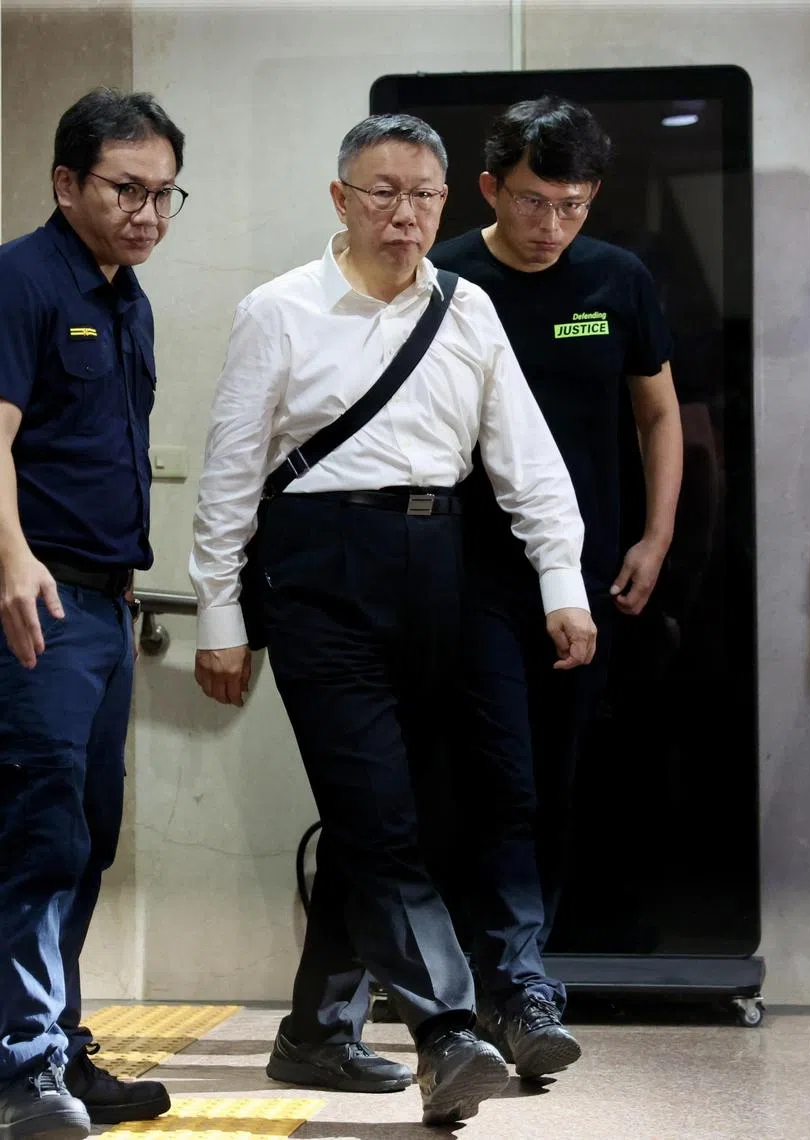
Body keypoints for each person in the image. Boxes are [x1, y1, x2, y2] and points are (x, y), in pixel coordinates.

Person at [188, 113, 596, 1126]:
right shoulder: (277, 310)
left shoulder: (468, 311)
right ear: (341, 199)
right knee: (378, 812)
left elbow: (528, 462)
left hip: (442, 570)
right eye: (381, 191)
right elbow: (232, 473)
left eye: (421, 194)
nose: (403, 212)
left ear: (446, 202)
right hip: (319, 577)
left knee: (401, 816)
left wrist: (562, 583)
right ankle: (447, 1033)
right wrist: (217, 614)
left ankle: (317, 1035)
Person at [431, 96, 682, 1076]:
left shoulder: (616, 279)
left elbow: (661, 415)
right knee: (499, 775)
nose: (552, 226)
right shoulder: (446, 274)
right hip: (469, 570)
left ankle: (520, 974)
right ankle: (509, 985)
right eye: (534, 202)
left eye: (573, 206)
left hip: (586, 575)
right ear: (493, 186)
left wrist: (657, 538)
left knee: (558, 778)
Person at [0, 88, 185, 1140]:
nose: (148, 212)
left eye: (165, 194)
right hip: (41, 598)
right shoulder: (19, 279)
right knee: (36, 832)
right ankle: (21, 1068)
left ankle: (58, 1049)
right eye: (128, 189)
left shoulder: (128, 299)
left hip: (106, 609)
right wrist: (14, 558)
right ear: (67, 182)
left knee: (87, 837)